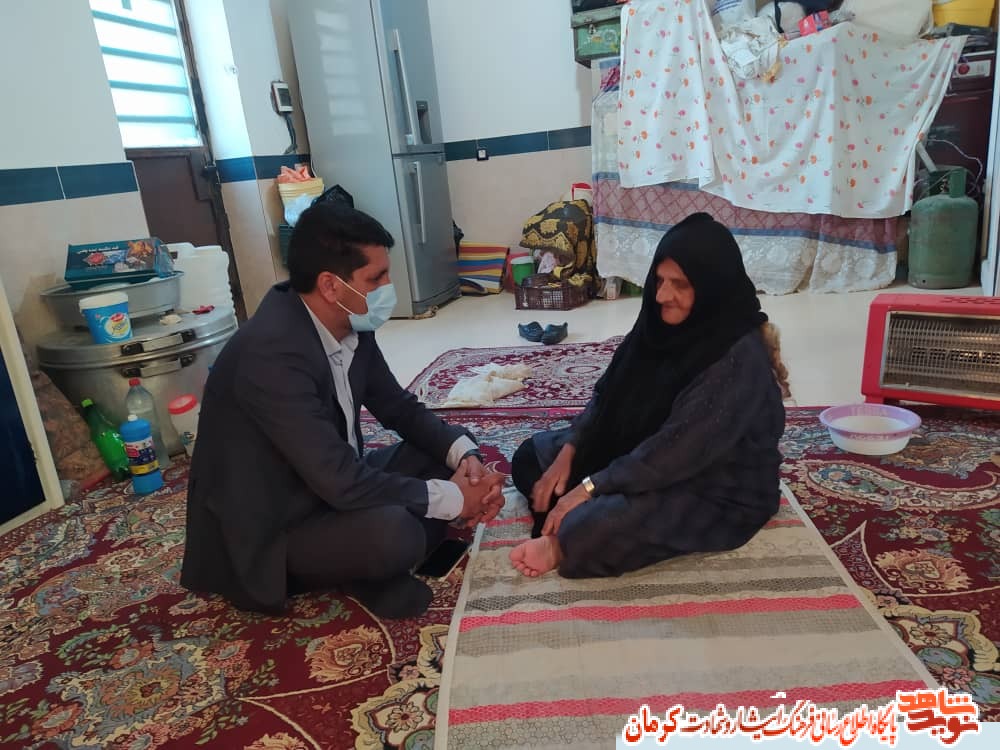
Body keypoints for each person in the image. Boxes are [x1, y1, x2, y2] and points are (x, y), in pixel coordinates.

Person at [181, 202, 505, 618]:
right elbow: (340, 481)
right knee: (396, 534)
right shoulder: (270, 355)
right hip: (275, 525)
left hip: (326, 488)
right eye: (377, 278)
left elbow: (398, 408)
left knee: (450, 448)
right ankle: (367, 562)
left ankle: (368, 557)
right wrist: (453, 500)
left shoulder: (349, 320)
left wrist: (465, 460)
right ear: (331, 286)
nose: (388, 287)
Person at [509, 212, 789, 578]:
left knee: (592, 526)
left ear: (712, 287)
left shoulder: (734, 359)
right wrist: (571, 450)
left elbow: (671, 455)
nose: (661, 295)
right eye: (659, 280)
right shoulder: (657, 324)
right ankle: (578, 504)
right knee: (531, 458)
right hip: (643, 450)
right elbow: (607, 395)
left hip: (712, 485)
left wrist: (588, 487)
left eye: (680, 284)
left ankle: (563, 541)